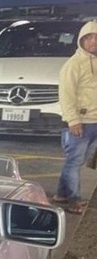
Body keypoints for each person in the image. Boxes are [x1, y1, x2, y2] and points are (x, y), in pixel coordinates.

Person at [54, 21, 97, 214]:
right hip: (80, 122)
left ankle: (61, 195)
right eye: (89, 38)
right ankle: (74, 200)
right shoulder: (73, 64)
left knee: (76, 160)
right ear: (81, 40)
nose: (93, 41)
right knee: (74, 162)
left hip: (95, 121)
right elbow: (66, 94)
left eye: (96, 37)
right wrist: (73, 120)